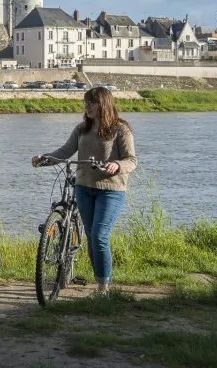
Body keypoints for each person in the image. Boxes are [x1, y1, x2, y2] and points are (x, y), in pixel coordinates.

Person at [32, 86, 137, 295]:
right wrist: (44, 158)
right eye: (85, 103)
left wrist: (117, 165)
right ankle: (99, 281)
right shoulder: (82, 129)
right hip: (83, 188)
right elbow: (64, 152)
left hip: (111, 190)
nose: (87, 107)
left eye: (91, 103)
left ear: (103, 104)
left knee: (99, 235)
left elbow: (131, 160)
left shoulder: (120, 129)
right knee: (90, 235)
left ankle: (103, 288)